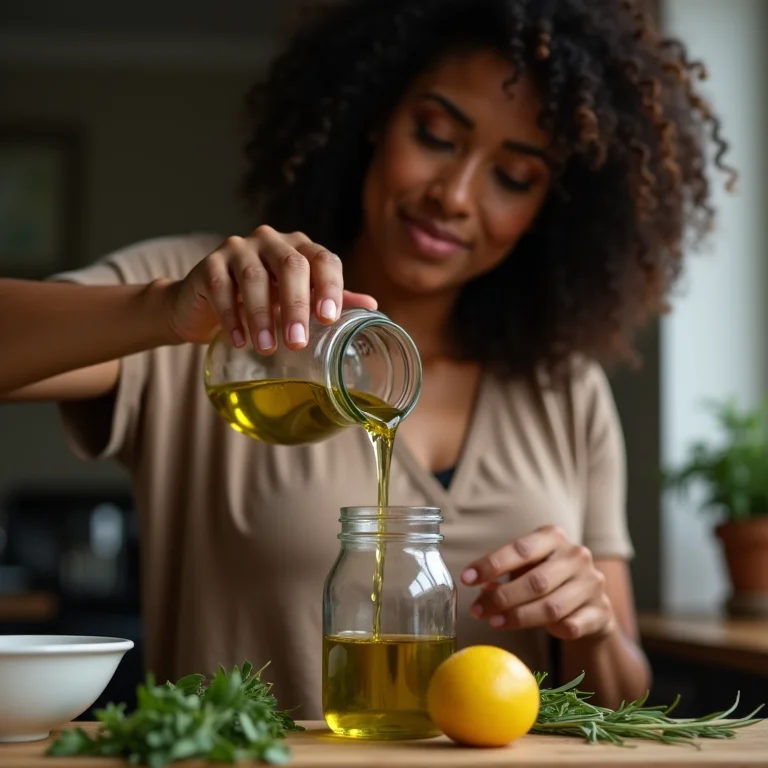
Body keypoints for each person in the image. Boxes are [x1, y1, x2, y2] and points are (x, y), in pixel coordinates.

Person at [0, 0, 733, 717]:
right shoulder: (212, 307)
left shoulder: (563, 390)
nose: (453, 195)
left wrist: (593, 624)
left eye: (514, 177)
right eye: (437, 134)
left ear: (551, 209)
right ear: (377, 118)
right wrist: (160, 309)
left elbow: (622, 699)